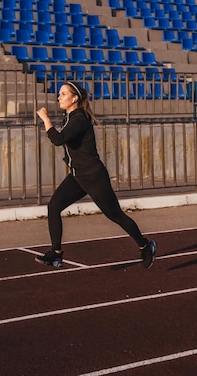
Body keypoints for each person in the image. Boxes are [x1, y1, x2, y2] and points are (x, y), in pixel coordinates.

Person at [35, 81, 157, 269]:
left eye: (63, 94)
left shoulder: (79, 120)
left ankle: (145, 245)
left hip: (93, 177)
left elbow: (58, 140)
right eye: (59, 93)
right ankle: (56, 254)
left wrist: (45, 119)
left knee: (115, 215)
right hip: (77, 176)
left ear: (74, 98)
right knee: (53, 207)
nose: (59, 97)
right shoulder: (69, 117)